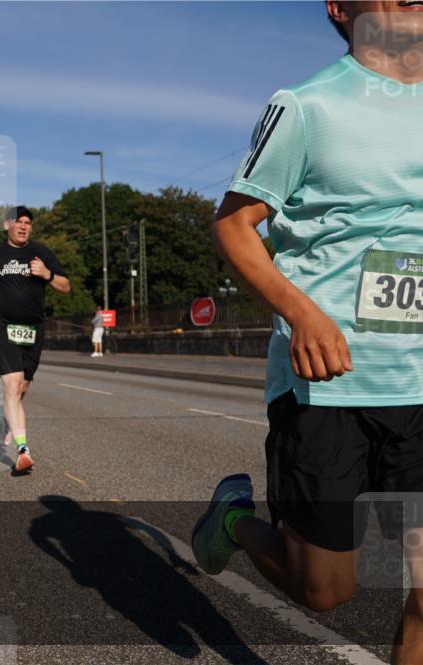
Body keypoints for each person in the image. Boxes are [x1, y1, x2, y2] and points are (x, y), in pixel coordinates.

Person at [190, 5, 423, 663]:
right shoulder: (308, 106)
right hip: (331, 382)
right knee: (325, 589)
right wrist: (303, 311)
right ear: (339, 7)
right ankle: (234, 521)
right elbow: (235, 225)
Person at [0, 205, 69, 474]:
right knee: (12, 385)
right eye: (18, 221)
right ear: (7, 225)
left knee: (22, 388)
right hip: (1, 326)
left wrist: (47, 275)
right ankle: (23, 450)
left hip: (33, 329)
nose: (24, 226)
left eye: (28, 222)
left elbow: (65, 286)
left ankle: (9, 420)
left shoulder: (41, 253)